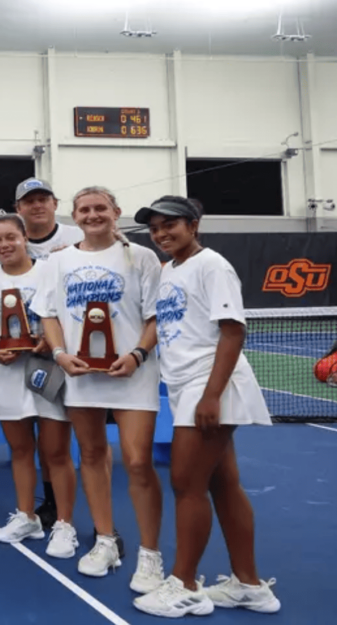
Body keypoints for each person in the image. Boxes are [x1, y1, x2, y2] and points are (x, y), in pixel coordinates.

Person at [132, 196, 279, 617]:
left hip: (208, 385)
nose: (161, 234)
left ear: (194, 225)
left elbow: (232, 332)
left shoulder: (212, 264)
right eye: (155, 228)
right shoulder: (169, 269)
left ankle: (184, 584)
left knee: (185, 483)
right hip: (184, 386)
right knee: (221, 483)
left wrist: (211, 395)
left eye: (170, 225)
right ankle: (249, 586)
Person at [32, 186, 165, 591]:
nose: (93, 215)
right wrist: (58, 353)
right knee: (90, 453)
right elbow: (49, 314)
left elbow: (156, 316)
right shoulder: (59, 260)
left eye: (100, 208)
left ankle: (150, 556)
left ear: (116, 212)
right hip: (80, 376)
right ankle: (105, 539)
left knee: (139, 461)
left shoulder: (141, 257)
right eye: (85, 210)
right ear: (75, 216)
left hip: (133, 375)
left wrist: (138, 355)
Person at [0, 214, 78, 553]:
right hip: (7, 375)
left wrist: (48, 342)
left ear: (25, 236)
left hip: (47, 372)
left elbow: (62, 317)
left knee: (56, 452)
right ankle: (27, 515)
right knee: (21, 450)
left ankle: (64, 524)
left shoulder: (49, 271)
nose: (4, 245)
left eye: (10, 237)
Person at [11, 177, 85, 530]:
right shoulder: (9, 241)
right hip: (20, 354)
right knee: (31, 434)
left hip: (67, 352)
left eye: (43, 199)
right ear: (18, 209)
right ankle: (49, 502)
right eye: (29, 201)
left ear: (55, 203)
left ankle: (68, 509)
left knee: (62, 436)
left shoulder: (76, 238)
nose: (36, 206)